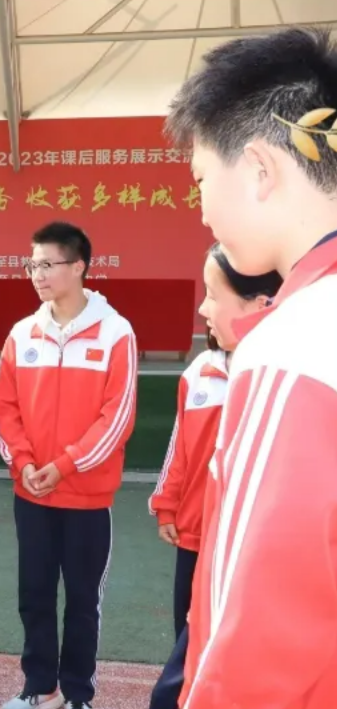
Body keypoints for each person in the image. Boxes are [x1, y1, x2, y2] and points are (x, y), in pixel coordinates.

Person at [164, 27, 337, 709]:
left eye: (202, 180)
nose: (202, 207)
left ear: (260, 170)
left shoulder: (292, 341)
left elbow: (255, 626)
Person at [0, 221, 137, 709]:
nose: (37, 274)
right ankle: (40, 689)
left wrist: (66, 465)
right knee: (34, 595)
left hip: (86, 498)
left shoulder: (116, 333)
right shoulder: (21, 333)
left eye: (47, 265)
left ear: (79, 267)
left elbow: (117, 418)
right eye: (32, 265)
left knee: (81, 601)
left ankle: (76, 694)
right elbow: (4, 408)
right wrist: (24, 463)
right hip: (31, 492)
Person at [147, 246, 281, 709]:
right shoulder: (198, 373)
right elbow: (179, 448)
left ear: (260, 304)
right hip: (196, 534)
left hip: (246, 544)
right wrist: (167, 503)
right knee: (188, 638)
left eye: (212, 294)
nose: (202, 309)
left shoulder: (279, 376)